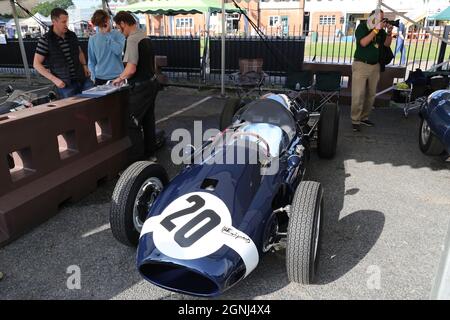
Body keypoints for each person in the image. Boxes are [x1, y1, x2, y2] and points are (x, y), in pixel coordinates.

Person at [112, 11, 164, 162]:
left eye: (118, 27)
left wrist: (119, 78)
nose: (119, 31)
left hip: (141, 87)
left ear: (123, 23)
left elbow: (131, 68)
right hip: (152, 83)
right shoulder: (144, 36)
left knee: (131, 123)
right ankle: (151, 154)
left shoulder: (133, 39)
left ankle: (137, 161)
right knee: (148, 119)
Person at [33, 8, 93, 99]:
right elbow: (36, 64)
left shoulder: (72, 35)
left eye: (67, 21)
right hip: (65, 84)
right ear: (54, 22)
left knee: (93, 102)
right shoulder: (45, 39)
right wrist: (54, 80)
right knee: (73, 110)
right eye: (63, 22)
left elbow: (79, 52)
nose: (66, 25)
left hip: (82, 78)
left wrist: (84, 66)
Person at [351, 9, 393, 132]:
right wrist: (376, 30)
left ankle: (364, 117)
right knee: (358, 94)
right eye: (380, 18)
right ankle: (355, 120)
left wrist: (389, 33)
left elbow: (386, 45)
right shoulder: (362, 27)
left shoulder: (380, 31)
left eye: (382, 18)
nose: (382, 21)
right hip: (361, 64)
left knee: (371, 94)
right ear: (372, 18)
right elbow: (363, 43)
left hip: (375, 66)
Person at [88, 9, 125, 85]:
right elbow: (91, 61)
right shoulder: (93, 39)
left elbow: (118, 51)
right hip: (100, 78)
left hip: (118, 77)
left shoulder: (118, 34)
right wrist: (93, 76)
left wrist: (107, 35)